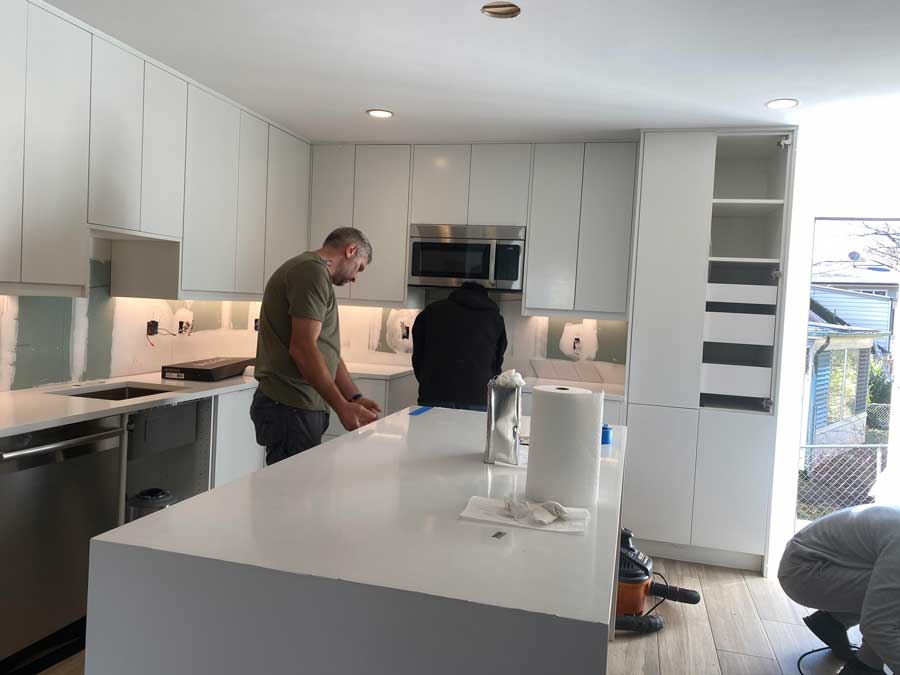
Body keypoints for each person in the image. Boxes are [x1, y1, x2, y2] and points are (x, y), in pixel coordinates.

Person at [251, 227, 382, 465]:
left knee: (303, 492)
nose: (355, 278)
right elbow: (303, 348)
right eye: (359, 267)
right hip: (291, 406)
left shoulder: (314, 274)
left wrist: (353, 398)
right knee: (292, 495)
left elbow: (326, 351)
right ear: (351, 250)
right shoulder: (310, 272)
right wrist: (341, 406)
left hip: (298, 407)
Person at [778, 505, 900, 674]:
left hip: (811, 564)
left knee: (889, 592)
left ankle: (833, 622)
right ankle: (864, 667)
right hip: (805, 572)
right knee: (891, 601)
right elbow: (878, 626)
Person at [411, 282, 507, 411]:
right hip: (478, 397)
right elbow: (497, 364)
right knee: (471, 432)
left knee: (429, 430)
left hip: (433, 394)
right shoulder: (496, 320)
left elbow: (418, 357)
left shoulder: (431, 312)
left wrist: (428, 380)